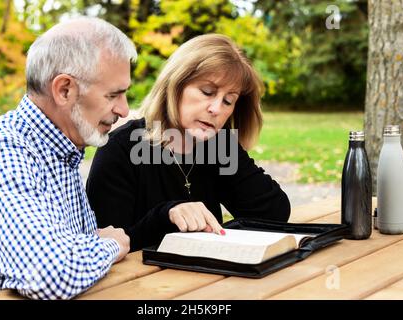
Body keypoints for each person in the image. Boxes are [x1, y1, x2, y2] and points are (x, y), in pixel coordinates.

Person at [0, 17, 136, 300]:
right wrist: (110, 244)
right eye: (113, 95)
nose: (124, 110)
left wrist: (87, 246)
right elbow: (49, 273)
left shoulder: (60, 149)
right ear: (64, 90)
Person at [86, 34, 291, 252]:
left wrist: (228, 151)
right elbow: (106, 246)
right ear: (175, 86)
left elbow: (274, 214)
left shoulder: (218, 146)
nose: (216, 109)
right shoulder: (120, 149)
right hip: (143, 283)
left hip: (210, 280)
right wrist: (167, 216)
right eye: (207, 92)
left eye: (228, 100)